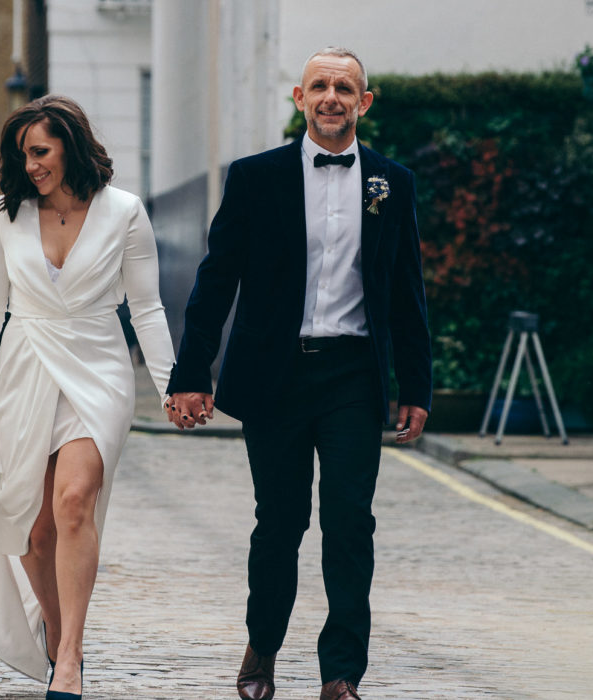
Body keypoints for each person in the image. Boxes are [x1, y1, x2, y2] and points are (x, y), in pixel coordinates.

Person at [165, 47, 432, 700]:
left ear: (363, 102)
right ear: (300, 99)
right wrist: (190, 371)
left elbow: (406, 290)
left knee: (349, 523)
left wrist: (416, 387)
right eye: (320, 86)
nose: (332, 97)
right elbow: (216, 276)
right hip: (277, 376)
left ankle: (341, 673)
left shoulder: (390, 182)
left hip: (352, 379)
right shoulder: (256, 177)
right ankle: (262, 647)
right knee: (280, 521)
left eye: (345, 87)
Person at [0, 95, 175, 700]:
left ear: (70, 146)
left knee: (75, 500)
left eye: (40, 151)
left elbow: (148, 307)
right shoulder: (6, 215)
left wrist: (168, 387)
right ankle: (58, 638)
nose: (30, 165)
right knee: (31, 532)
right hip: (26, 371)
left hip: (99, 369)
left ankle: (72, 659)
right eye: (22, 155)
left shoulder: (125, 213)